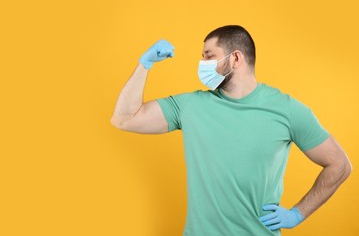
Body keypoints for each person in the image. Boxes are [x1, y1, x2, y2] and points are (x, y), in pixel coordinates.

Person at [110, 25, 352, 235]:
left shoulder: (287, 110)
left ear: (235, 58)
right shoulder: (190, 106)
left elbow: (339, 165)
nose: (201, 64)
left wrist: (297, 214)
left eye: (208, 56)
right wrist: (145, 64)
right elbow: (124, 119)